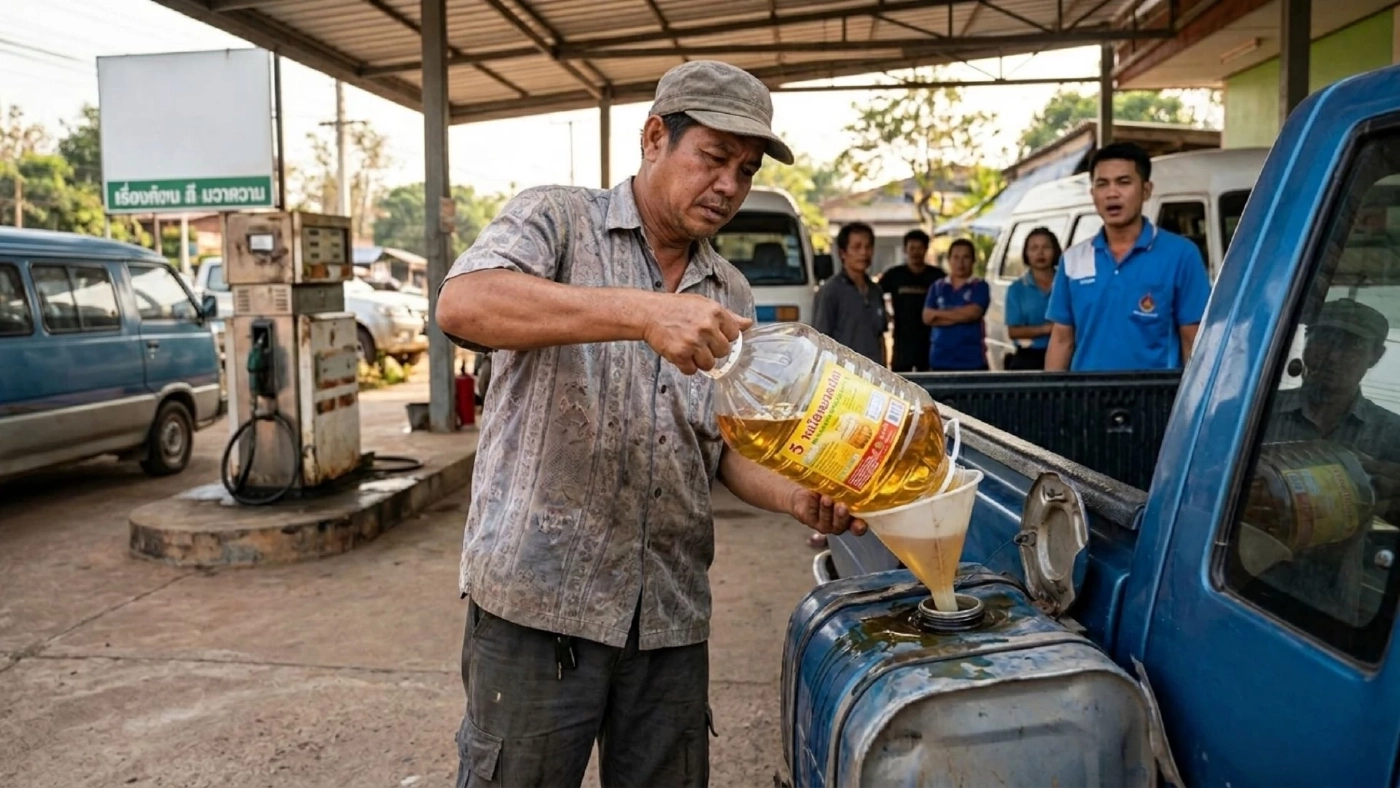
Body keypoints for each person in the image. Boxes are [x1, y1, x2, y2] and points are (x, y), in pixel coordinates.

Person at [434, 60, 867, 788]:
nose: (729, 184)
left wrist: (798, 495)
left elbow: (721, 442)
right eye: (713, 158)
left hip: (666, 613)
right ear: (655, 136)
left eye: (747, 168)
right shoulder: (557, 221)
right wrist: (642, 313)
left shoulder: (727, 288)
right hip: (541, 606)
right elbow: (463, 306)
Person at [1045, 142, 1212, 372]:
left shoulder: (1181, 255)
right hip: (1084, 398)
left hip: (1154, 398)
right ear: (1093, 193)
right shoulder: (1073, 260)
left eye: (1123, 182)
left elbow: (1192, 339)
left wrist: (1195, 404)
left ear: (1146, 190)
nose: (1112, 193)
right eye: (1102, 184)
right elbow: (1062, 341)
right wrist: (1052, 401)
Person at [813, 221, 888, 365]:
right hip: (844, 378)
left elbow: (880, 337)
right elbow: (821, 342)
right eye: (857, 247)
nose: (864, 253)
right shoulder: (830, 291)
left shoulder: (875, 291)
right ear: (842, 252)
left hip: (874, 378)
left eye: (868, 247)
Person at [879, 229, 946, 372]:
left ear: (926, 249)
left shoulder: (937, 276)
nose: (916, 252)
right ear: (905, 250)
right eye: (912, 248)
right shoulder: (894, 275)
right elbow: (874, 294)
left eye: (920, 248)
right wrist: (884, 316)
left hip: (931, 343)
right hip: (902, 343)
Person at [923, 238, 990, 371]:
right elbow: (927, 317)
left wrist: (939, 315)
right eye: (956, 257)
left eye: (966, 257)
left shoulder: (980, 286)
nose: (961, 262)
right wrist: (960, 314)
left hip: (972, 362)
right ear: (949, 260)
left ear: (973, 260)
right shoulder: (937, 287)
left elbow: (973, 313)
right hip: (940, 360)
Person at [1003, 227, 1061, 370]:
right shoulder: (1017, 289)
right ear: (1026, 253)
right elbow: (1013, 331)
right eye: (1034, 248)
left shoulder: (1067, 284)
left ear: (1055, 251)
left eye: (1046, 247)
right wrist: (1047, 329)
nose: (1040, 253)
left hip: (1064, 353)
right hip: (1028, 357)